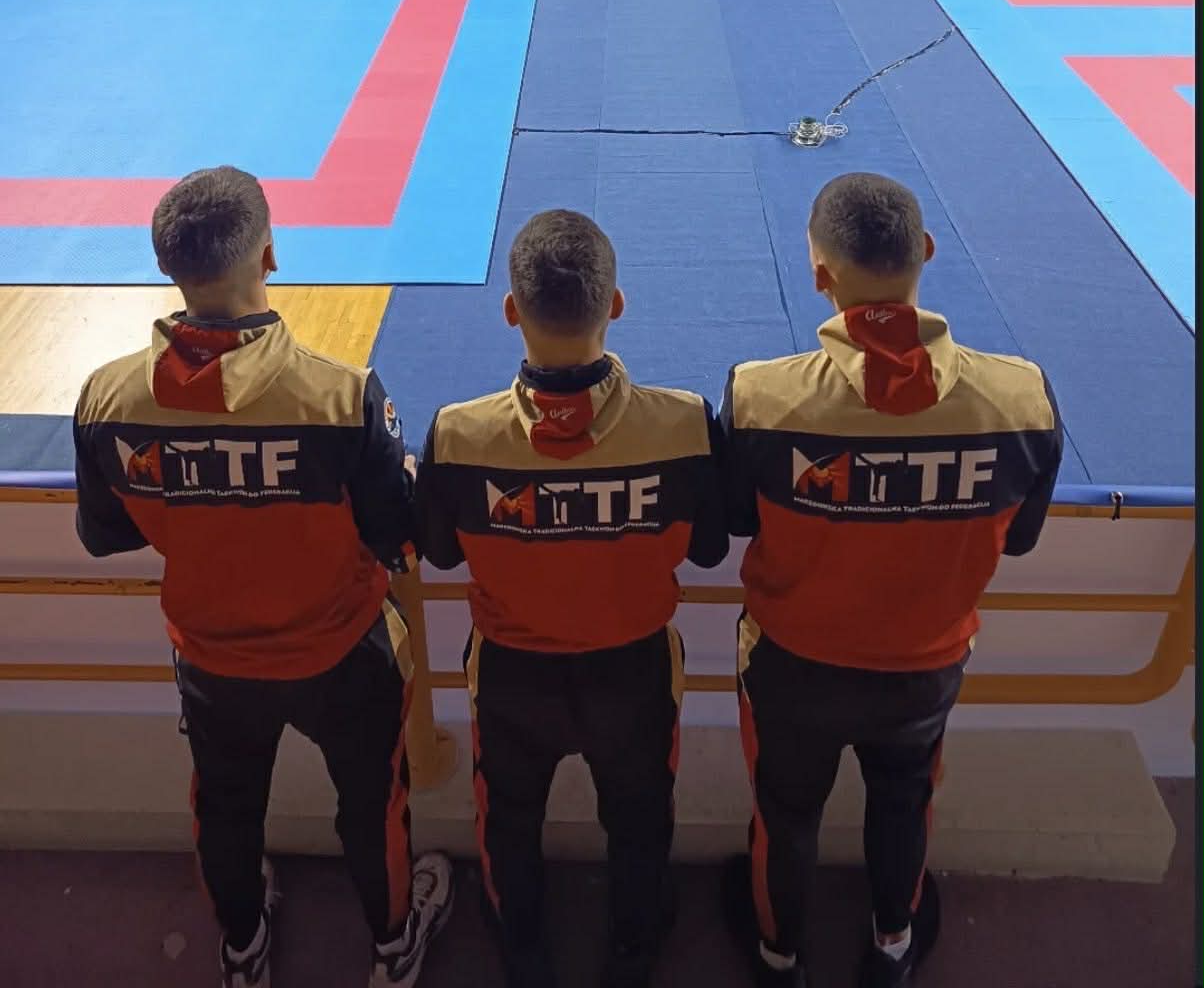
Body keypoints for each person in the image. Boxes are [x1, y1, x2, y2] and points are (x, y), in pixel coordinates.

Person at [73, 166, 454, 988]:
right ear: (270, 255)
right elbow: (395, 532)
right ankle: (393, 946)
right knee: (373, 806)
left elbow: (104, 535)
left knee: (225, 806)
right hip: (342, 651)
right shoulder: (341, 398)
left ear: (166, 267)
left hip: (213, 660)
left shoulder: (105, 399)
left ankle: (242, 947)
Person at [718, 172, 1063, 988]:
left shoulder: (758, 398)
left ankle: (779, 956)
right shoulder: (1023, 399)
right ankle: (892, 948)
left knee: (785, 813)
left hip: (792, 667)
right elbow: (1019, 542)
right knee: (905, 801)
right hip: (924, 669)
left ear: (819, 276)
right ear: (928, 251)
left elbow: (733, 521)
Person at [415, 209, 727, 988]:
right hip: (635, 671)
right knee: (641, 818)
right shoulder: (687, 427)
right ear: (615, 304)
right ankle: (634, 950)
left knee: (509, 822)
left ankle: (522, 952)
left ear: (510, 310)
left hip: (511, 676)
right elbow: (710, 548)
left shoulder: (456, 436)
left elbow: (441, 552)